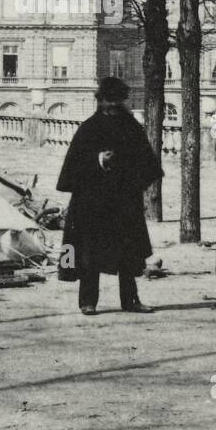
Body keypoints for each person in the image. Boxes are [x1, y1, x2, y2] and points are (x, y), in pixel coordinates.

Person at [56, 77, 163, 315]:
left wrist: (134, 180)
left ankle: (131, 301)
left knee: (128, 253)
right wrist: (97, 160)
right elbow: (73, 166)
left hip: (124, 201)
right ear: (100, 100)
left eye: (118, 102)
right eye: (109, 102)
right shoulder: (89, 128)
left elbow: (147, 163)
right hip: (92, 202)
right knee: (88, 254)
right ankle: (87, 302)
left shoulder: (132, 127)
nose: (113, 106)